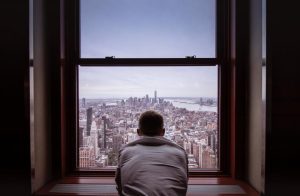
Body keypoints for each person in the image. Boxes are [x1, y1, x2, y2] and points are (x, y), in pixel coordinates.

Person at [115, 110, 188, 196]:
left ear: (138, 132)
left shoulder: (125, 151)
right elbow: (183, 182)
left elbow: (119, 185)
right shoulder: (180, 152)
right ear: (163, 132)